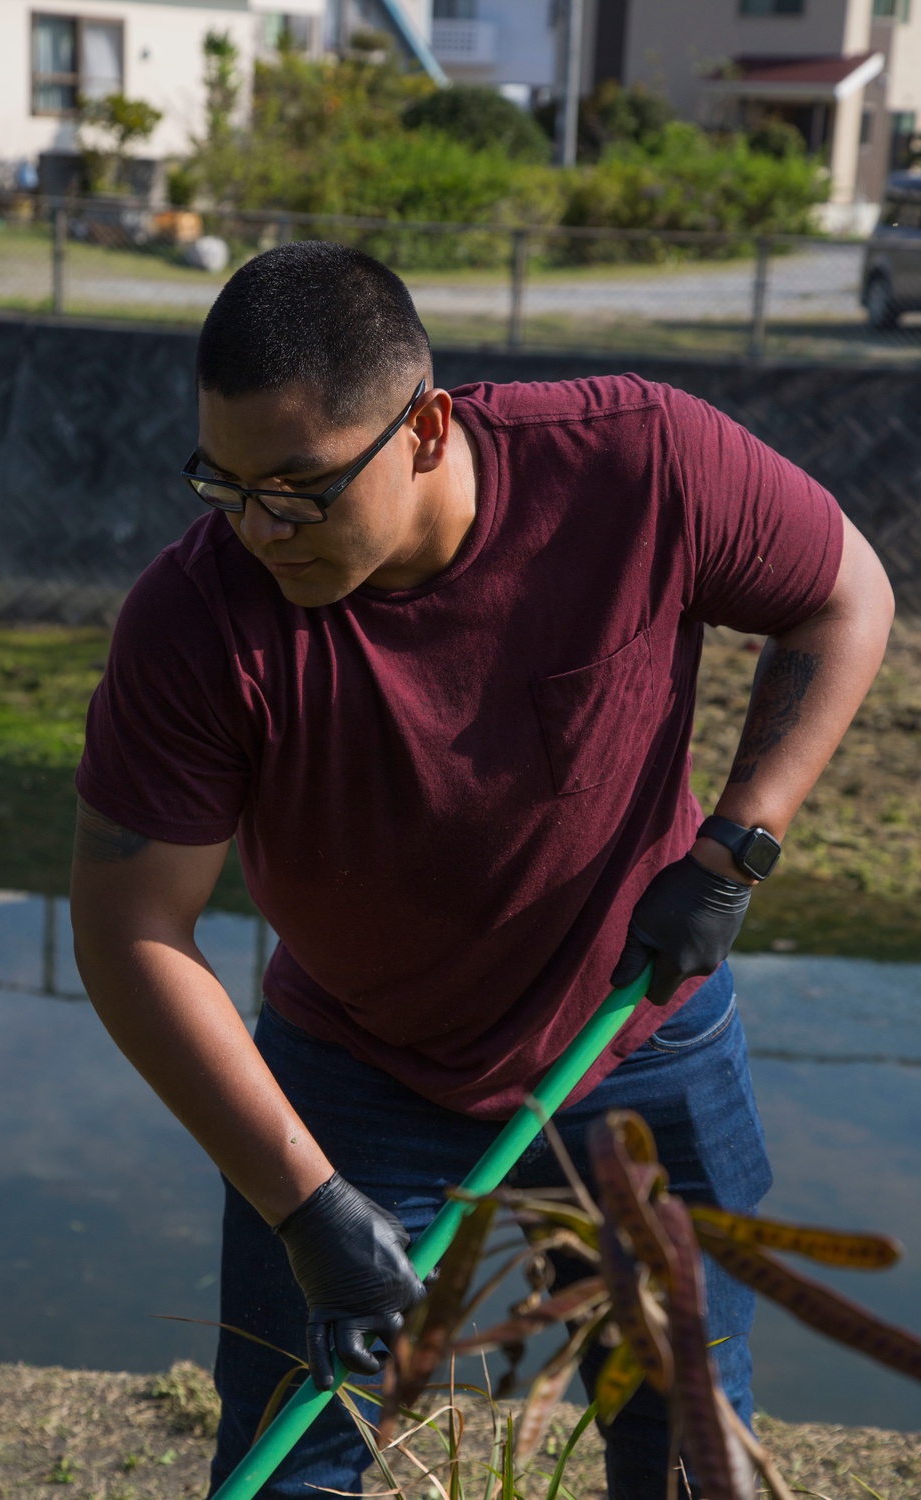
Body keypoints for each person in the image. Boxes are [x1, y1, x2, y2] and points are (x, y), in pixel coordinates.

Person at [70, 242, 894, 1499]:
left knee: (681, 1441)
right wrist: (306, 1208)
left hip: (638, 1030)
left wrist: (736, 846)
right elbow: (132, 929)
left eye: (298, 487)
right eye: (222, 483)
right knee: (299, 1459)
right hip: (356, 1068)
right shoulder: (192, 622)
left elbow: (844, 595)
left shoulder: (638, 461)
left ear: (424, 428)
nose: (258, 529)